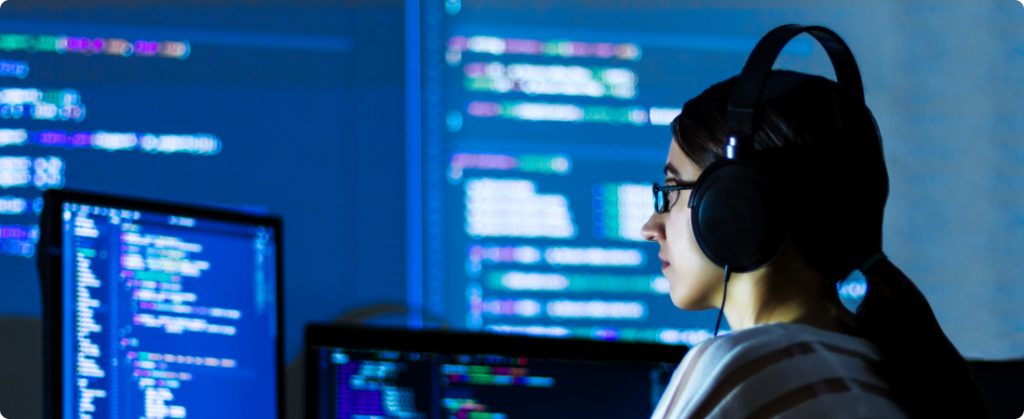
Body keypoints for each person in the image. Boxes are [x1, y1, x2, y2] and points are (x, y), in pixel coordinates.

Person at [641, 27, 988, 418]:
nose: (650, 227)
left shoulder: (743, 371)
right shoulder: (889, 372)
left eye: (670, 191)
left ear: (735, 204)